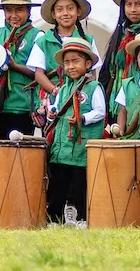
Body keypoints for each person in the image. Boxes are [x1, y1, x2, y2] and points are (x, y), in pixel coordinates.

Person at [43, 36, 105, 225]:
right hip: (61, 148)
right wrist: (51, 114)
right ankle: (54, 218)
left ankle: (80, 218)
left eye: (75, 61)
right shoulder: (62, 89)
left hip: (81, 146)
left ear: (87, 64)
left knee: (79, 184)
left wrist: (83, 118)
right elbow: (54, 109)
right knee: (57, 185)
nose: (71, 66)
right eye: (67, 62)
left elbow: (100, 111)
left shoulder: (94, 87)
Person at [0, 0, 42, 139]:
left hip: (23, 104)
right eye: (8, 10)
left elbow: (40, 74)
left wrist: (14, 66)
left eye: (19, 10)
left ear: (29, 11)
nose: (14, 15)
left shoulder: (37, 36)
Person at [28, 0, 98, 97]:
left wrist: (88, 93)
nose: (65, 13)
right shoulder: (43, 41)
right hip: (51, 97)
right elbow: (39, 74)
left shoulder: (88, 41)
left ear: (78, 11)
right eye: (59, 9)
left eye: (70, 8)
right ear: (53, 14)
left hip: (80, 95)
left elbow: (92, 72)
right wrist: (57, 92)